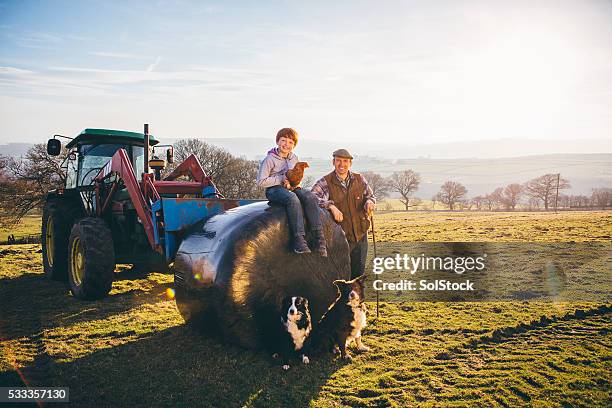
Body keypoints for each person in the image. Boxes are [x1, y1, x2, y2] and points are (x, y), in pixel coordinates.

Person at [256, 128, 327, 256]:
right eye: (283, 140)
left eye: (290, 142)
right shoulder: (269, 159)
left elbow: (295, 175)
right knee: (292, 199)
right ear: (278, 141)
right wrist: (281, 179)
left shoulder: (294, 158)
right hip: (274, 190)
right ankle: (299, 239)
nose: (286, 145)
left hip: (291, 187)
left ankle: (319, 238)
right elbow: (261, 181)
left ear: (294, 145)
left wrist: (294, 183)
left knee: (310, 197)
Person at [312, 149, 375, 278]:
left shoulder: (359, 179)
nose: (342, 164)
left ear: (350, 163)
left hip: (360, 235)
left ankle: (357, 299)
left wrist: (369, 202)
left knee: (358, 276)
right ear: (333, 162)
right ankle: (343, 299)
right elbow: (311, 198)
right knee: (341, 276)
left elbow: (370, 196)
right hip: (339, 238)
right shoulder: (326, 182)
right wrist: (331, 206)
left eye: (345, 161)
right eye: (338, 161)